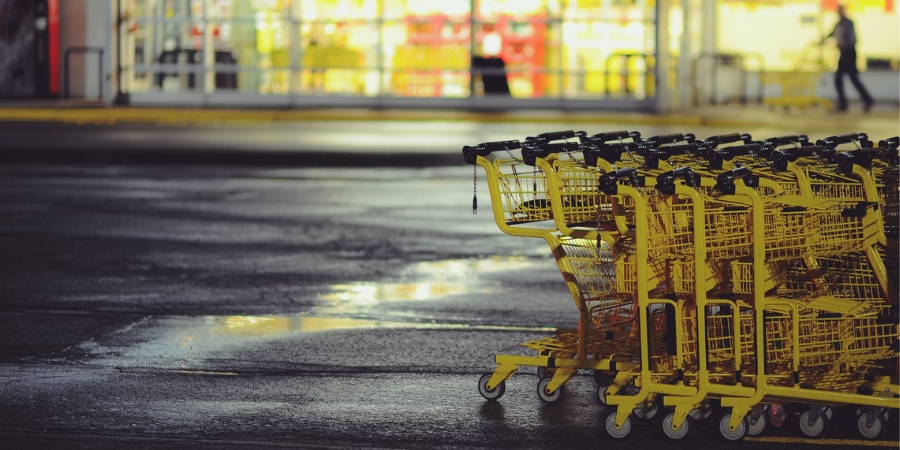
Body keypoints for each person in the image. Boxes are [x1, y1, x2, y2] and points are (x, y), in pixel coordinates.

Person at [823, 4, 874, 113]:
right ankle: (843, 103)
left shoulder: (848, 23)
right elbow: (831, 34)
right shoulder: (838, 23)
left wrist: (843, 43)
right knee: (838, 78)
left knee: (853, 78)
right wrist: (822, 41)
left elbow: (852, 38)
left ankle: (867, 100)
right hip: (843, 54)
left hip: (849, 53)